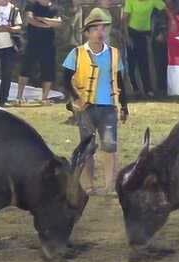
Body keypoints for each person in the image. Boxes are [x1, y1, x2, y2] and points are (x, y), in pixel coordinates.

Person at [62, 10, 129, 195]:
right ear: (87, 32)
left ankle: (109, 186)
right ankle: (88, 186)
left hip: (108, 107)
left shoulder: (114, 54)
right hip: (86, 107)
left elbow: (120, 81)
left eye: (103, 28)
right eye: (96, 29)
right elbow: (65, 80)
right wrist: (76, 99)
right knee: (87, 148)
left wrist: (124, 106)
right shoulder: (76, 53)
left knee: (110, 147)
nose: (100, 32)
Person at [16, 0, 62, 106]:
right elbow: (30, 19)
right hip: (32, 43)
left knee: (48, 70)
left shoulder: (54, 8)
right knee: (25, 68)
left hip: (48, 44)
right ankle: (19, 96)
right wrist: (47, 24)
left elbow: (58, 22)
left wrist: (41, 19)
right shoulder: (32, 5)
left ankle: (44, 98)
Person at [123, 0, 172, 98]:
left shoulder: (153, 0)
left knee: (144, 63)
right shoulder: (130, 1)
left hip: (144, 33)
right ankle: (135, 89)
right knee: (131, 64)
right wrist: (127, 37)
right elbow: (124, 20)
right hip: (131, 32)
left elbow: (166, 10)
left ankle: (148, 89)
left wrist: (172, 21)